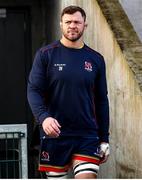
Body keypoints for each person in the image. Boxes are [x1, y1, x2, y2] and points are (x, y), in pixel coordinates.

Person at [27, 5, 110, 179]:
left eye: (77, 22)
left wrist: (104, 138)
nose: (72, 26)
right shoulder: (45, 55)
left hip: (86, 135)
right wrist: (44, 117)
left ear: (85, 25)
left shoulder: (96, 59)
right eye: (68, 22)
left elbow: (102, 100)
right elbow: (34, 90)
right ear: (61, 24)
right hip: (55, 136)